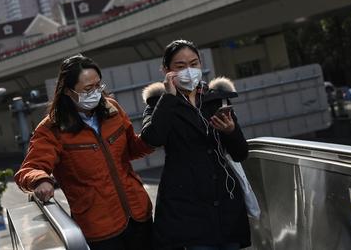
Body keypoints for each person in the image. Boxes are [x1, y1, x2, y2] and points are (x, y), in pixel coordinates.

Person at [15, 54, 154, 250]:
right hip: (99, 228)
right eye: (88, 89)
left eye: (98, 86)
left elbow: (132, 148)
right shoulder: (52, 129)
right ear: (68, 92)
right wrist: (40, 180)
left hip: (139, 214)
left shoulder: (112, 110)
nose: (96, 93)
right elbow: (29, 168)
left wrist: (154, 135)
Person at [140, 40, 251, 250]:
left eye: (194, 64)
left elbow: (240, 153)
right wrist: (169, 97)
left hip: (225, 205)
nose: (189, 71)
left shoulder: (217, 100)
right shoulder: (158, 104)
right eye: (180, 67)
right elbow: (152, 138)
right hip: (186, 210)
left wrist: (230, 131)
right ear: (166, 70)